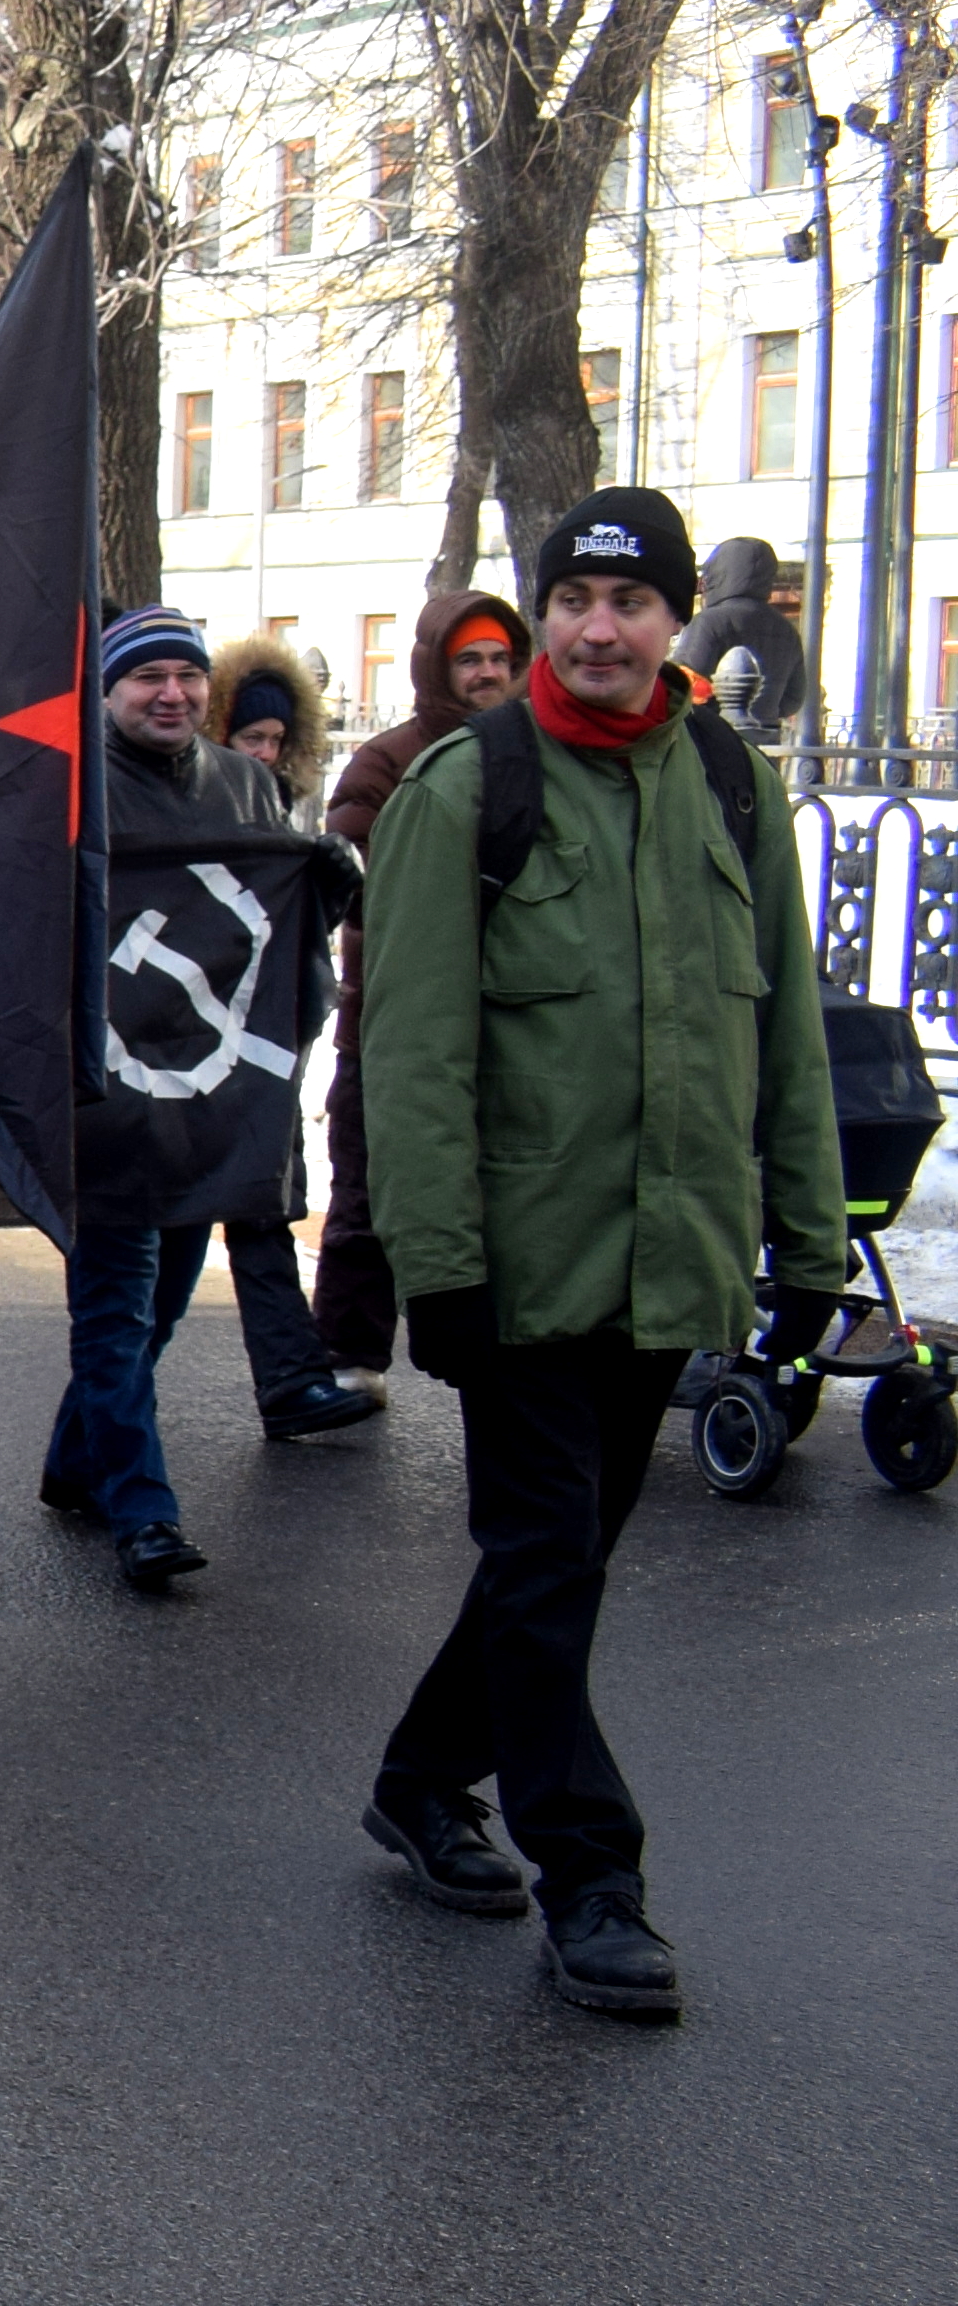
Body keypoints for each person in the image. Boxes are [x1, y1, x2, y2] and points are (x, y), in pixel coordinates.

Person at [354, 486, 864, 2021]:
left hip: (670, 1258)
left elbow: (786, 1032)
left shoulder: (728, 783)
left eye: (630, 604)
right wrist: (430, 1264)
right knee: (545, 1562)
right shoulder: (466, 791)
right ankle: (595, 1879)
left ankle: (420, 1777)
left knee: (557, 1568)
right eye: (573, 599)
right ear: (542, 611)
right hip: (517, 1264)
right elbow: (415, 1050)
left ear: (672, 623)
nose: (598, 628)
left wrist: (813, 1230)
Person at [43, 607, 301, 1592]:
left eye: (187, 677)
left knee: (160, 1306)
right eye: (145, 677)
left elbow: (274, 930)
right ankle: (143, 1513)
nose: (172, 694)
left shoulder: (245, 784)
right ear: (107, 693)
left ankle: (79, 1458)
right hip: (104, 1094)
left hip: (209, 1096)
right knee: (114, 1306)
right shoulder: (69, 792)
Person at [314, 592, 526, 1363]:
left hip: (506, 1014)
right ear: (438, 668)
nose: (488, 675)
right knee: (369, 1194)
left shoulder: (535, 756)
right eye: (470, 660)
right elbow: (347, 874)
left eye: (501, 659)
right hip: (388, 1018)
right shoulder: (388, 761)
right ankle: (347, 1356)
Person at [207, 635, 381, 1440]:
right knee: (149, 1272)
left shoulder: (272, 812)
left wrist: (324, 885)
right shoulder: (189, 807)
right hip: (182, 1052)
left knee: (262, 1206)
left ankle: (290, 1376)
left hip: (257, 1048)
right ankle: (86, 1450)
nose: (266, 753)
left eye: (278, 741)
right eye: (252, 738)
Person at [683, 535, 803, 736]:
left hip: (713, 739)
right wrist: (764, 709)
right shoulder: (787, 629)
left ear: (716, 575)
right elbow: (794, 699)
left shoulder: (709, 621)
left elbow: (684, 686)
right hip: (766, 741)